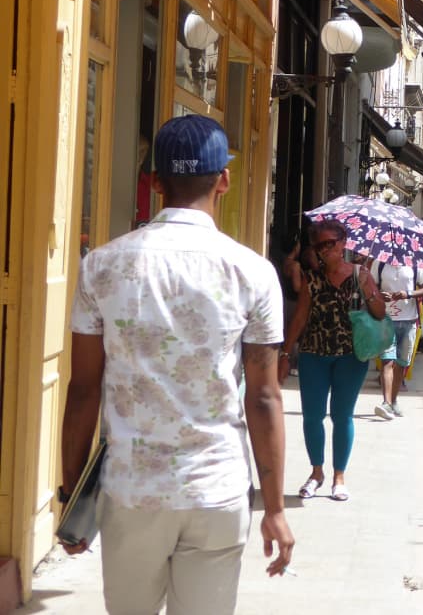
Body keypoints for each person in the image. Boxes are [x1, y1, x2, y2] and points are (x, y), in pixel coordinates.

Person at [61, 115, 294, 613]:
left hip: (130, 491)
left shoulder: (102, 266)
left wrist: (73, 498)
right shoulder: (252, 272)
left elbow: (83, 390)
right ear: (224, 180)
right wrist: (274, 507)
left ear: (155, 182)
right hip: (216, 488)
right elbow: (264, 395)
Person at [281, 218, 387, 502]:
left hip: (350, 356)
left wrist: (369, 288)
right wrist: (285, 352)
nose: (325, 250)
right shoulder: (311, 278)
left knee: (342, 416)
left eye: (331, 243)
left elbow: (379, 312)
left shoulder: (360, 274)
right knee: (312, 416)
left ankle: (339, 476)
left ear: (343, 243)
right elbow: (301, 316)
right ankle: (317, 472)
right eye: (320, 245)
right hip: (314, 353)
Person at [374, 258, 423, 419]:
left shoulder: (415, 264)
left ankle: (393, 401)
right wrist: (379, 295)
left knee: (401, 363)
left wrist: (408, 294)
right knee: (387, 360)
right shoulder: (379, 264)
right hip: (386, 320)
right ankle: (386, 403)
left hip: (409, 321)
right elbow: (369, 287)